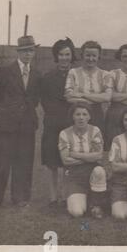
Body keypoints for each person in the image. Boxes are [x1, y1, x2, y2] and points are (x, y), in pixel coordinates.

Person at [0, 35, 41, 208]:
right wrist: (1, 115)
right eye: (25, 51)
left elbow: (34, 99)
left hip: (27, 124)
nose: (28, 54)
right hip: (6, 124)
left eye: (31, 51)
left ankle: (20, 198)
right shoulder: (5, 71)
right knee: (0, 162)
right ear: (18, 52)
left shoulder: (36, 74)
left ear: (34, 53)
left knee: (24, 161)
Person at [40, 37, 76, 209]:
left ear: (71, 56)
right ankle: (54, 198)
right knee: (52, 161)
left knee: (68, 161)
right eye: (61, 54)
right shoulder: (47, 77)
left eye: (67, 54)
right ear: (56, 56)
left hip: (72, 122)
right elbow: (45, 102)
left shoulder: (77, 75)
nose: (64, 58)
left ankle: (67, 195)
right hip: (53, 123)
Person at [58, 102, 107, 219]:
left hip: (92, 173)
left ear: (89, 116)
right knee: (77, 212)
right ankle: (85, 199)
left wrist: (74, 154)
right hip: (74, 177)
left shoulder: (95, 131)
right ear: (72, 116)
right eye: (78, 114)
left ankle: (96, 204)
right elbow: (66, 161)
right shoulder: (64, 133)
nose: (81, 117)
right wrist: (89, 157)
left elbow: (99, 156)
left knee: (99, 170)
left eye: (85, 114)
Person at [64, 40, 113, 136]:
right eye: (88, 55)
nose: (91, 58)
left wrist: (81, 94)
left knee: (96, 142)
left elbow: (107, 97)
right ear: (82, 55)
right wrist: (97, 97)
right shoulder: (73, 72)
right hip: (77, 113)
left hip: (97, 113)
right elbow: (69, 97)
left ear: (98, 57)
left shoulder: (105, 74)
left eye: (94, 56)